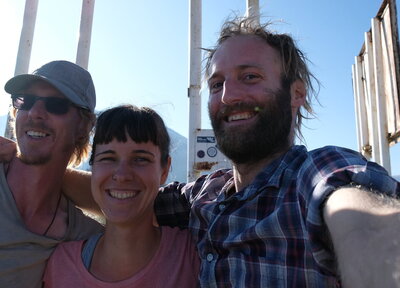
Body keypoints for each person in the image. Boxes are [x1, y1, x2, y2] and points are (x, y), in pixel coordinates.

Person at [153, 16, 400, 287]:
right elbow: (126, 191)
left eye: (250, 76)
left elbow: (363, 218)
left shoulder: (314, 175)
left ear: (296, 94)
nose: (228, 96)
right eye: (216, 84)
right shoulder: (203, 195)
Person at [43, 104, 199, 287]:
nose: (122, 175)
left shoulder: (195, 256)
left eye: (141, 159)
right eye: (108, 158)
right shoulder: (60, 265)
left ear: (164, 170)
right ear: (92, 167)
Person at [0, 60, 103, 287]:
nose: (35, 113)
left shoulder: (84, 239)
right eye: (24, 100)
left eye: (56, 105)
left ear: (84, 126)